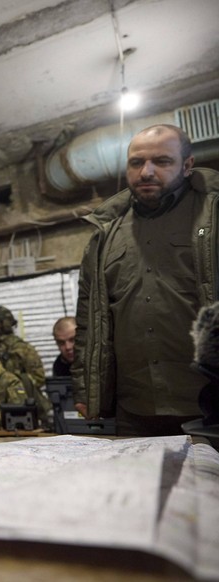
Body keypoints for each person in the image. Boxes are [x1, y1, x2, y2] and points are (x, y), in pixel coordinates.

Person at [74, 124, 219, 436]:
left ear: (187, 165)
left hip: (209, 405)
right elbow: (89, 320)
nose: (146, 171)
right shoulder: (105, 233)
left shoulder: (213, 213)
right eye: (136, 162)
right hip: (136, 410)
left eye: (162, 161)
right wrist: (87, 390)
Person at [0, 305, 51, 427]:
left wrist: (13, 381)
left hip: (19, 404)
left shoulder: (22, 349)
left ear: (4, 323)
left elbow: (38, 379)